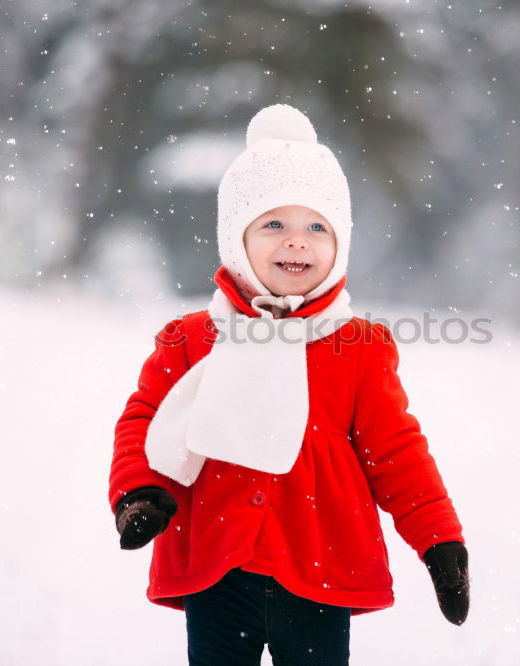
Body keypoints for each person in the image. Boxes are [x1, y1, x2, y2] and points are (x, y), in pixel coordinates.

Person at [108, 103, 469, 666]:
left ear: (339, 243)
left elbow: (395, 453)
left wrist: (439, 540)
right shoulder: (191, 338)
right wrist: (138, 490)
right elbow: (144, 419)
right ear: (236, 238)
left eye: (316, 227)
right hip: (217, 570)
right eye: (274, 223)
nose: (297, 242)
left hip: (321, 570)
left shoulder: (358, 346)